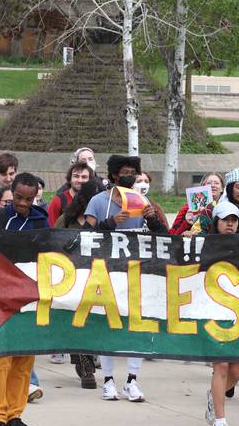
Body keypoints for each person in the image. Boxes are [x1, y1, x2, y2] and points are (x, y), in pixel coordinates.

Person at [84, 155, 166, 403]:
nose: (130, 176)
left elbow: (164, 236)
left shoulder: (144, 201)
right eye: (125, 172)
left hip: (137, 271)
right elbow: (86, 235)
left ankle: (132, 380)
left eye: (134, 171)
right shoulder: (99, 201)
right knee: (110, 325)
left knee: (136, 325)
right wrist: (109, 223)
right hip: (107, 272)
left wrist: (152, 219)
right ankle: (108, 380)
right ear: (113, 176)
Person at [0, 173, 48, 426]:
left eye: (29, 199)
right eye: (19, 198)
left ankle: (16, 414)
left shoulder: (41, 220)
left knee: (23, 360)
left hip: (29, 299)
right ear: (10, 193)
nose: (24, 203)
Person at [54, 180, 101, 389]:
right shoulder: (66, 220)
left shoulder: (106, 221)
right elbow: (53, 244)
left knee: (93, 323)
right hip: (72, 279)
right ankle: (85, 368)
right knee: (77, 321)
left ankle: (87, 361)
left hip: (99, 280)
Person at [204, 201, 239, 426]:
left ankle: (213, 396)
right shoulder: (204, 244)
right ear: (216, 222)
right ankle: (220, 420)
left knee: (235, 371)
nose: (229, 224)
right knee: (220, 365)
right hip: (211, 311)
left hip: (237, 313)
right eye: (225, 220)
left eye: (233, 220)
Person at [46, 161, 94, 226]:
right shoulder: (58, 201)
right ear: (70, 178)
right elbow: (49, 228)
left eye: (84, 177)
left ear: (90, 180)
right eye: (76, 176)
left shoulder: (94, 201)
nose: (80, 180)